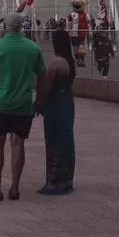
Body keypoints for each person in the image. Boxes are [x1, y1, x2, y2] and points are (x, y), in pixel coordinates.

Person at [0, 12, 46, 201]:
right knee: (18, 143)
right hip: (23, 104)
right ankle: (15, 187)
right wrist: (39, 100)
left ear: (5, 27)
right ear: (22, 27)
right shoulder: (33, 48)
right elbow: (42, 75)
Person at [35, 29, 76, 195]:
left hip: (55, 105)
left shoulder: (56, 62)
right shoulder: (70, 61)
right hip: (67, 102)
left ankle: (54, 181)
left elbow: (46, 86)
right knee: (66, 140)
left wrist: (38, 104)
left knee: (54, 140)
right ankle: (66, 179)